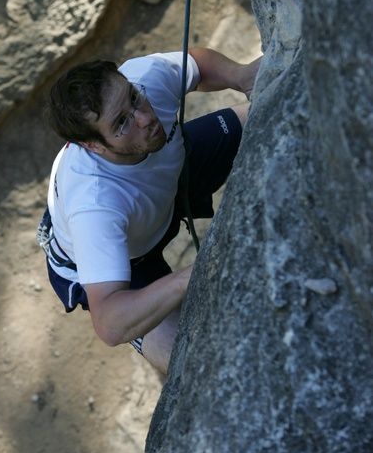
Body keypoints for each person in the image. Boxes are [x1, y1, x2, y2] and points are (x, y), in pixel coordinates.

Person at [38, 47, 260, 374]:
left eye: (133, 98)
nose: (145, 118)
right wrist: (195, 273)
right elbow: (111, 322)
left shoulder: (144, 82)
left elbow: (196, 64)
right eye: (122, 122)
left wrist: (243, 76)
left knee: (264, 111)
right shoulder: (94, 208)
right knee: (196, 365)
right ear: (93, 146)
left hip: (170, 174)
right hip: (127, 260)